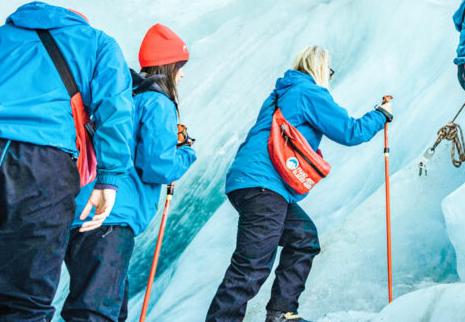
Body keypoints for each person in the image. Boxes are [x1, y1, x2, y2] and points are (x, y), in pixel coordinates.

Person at [0, 1, 132, 320]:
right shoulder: (98, 43)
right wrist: (109, 178)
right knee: (22, 299)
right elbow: (115, 109)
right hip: (44, 166)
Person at [206, 45, 392, 322]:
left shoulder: (280, 94)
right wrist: (382, 113)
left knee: (303, 238)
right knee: (251, 267)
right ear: (319, 69)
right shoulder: (309, 92)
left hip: (254, 184)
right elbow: (351, 132)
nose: (329, 76)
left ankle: (281, 313)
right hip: (264, 186)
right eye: (328, 71)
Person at [62, 24, 197, 321]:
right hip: (113, 216)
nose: (183, 75)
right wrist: (186, 152)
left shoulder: (119, 95)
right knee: (96, 310)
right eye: (181, 67)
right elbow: (158, 167)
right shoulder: (157, 102)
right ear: (169, 67)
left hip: (81, 212)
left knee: (106, 304)